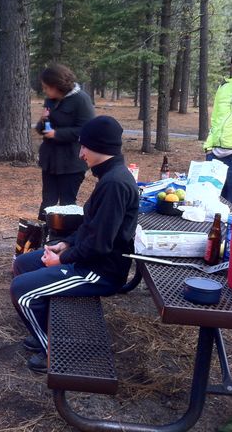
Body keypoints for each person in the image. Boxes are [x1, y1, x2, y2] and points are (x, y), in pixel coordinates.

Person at [10, 116, 139, 373]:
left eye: (84, 147)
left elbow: (99, 245)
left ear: (100, 147)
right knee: (23, 264)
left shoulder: (115, 184)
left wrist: (62, 260)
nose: (80, 154)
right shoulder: (109, 177)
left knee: (22, 291)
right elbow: (91, 227)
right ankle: (47, 332)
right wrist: (65, 245)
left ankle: (58, 351)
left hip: (99, 272)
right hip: (88, 258)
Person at [35, 64, 95, 220]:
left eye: (46, 87)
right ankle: (41, 232)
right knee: (47, 201)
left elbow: (86, 130)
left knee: (67, 204)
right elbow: (42, 129)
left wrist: (57, 134)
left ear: (57, 86)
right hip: (50, 160)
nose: (44, 91)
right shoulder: (51, 100)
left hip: (71, 161)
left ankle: (66, 234)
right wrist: (43, 121)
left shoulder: (81, 100)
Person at [203, 45, 232, 205]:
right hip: (214, 156)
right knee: (211, 204)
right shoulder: (224, 87)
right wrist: (209, 146)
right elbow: (216, 119)